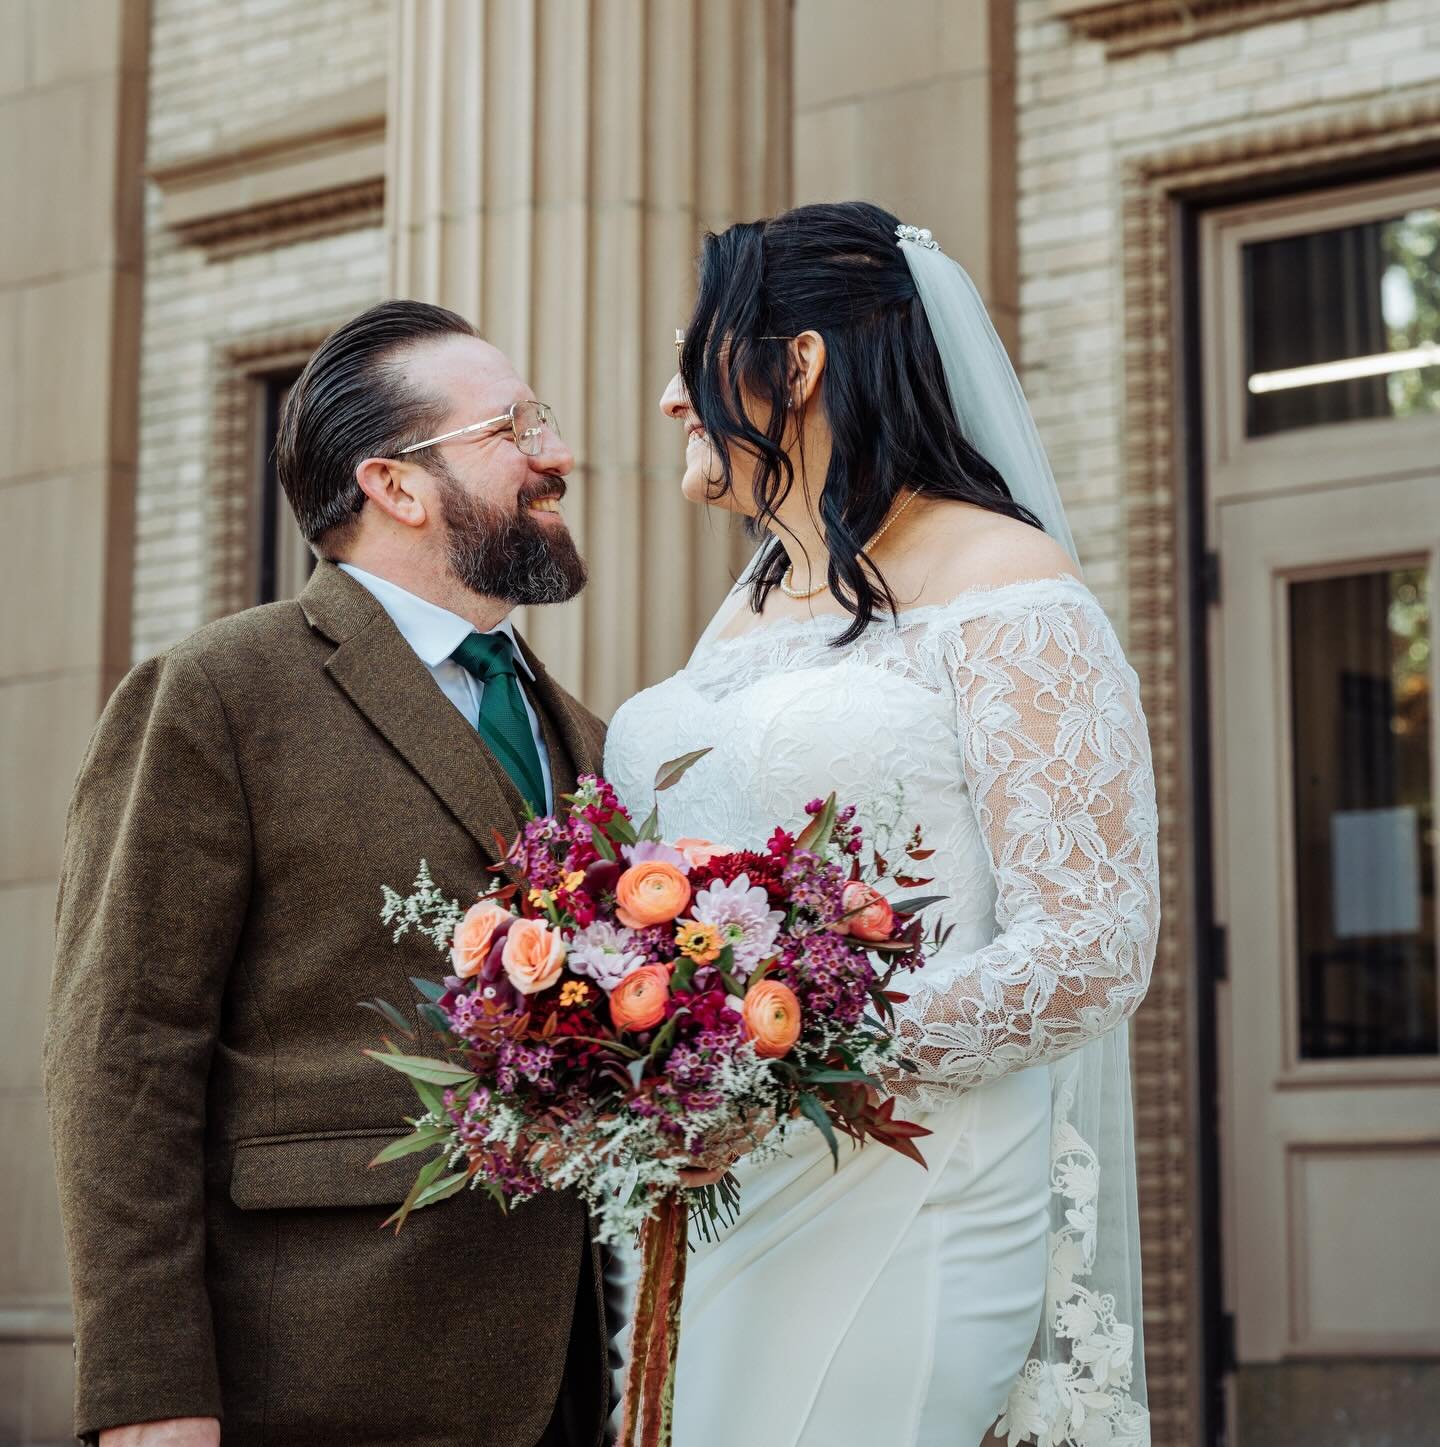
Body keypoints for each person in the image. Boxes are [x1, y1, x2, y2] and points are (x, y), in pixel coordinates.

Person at [603, 202, 1160, 1446]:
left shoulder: (1008, 590)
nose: (666, 396)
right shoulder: (749, 603)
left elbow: (1092, 946)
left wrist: (777, 1057)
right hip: (723, 1188)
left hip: (917, 1178)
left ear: (797, 364)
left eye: (698, 350)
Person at [45, 301, 610, 1447]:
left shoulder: (588, 737)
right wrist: (151, 1393)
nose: (556, 453)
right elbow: (123, 1055)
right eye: (514, 427)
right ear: (396, 484)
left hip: (565, 1380)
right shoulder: (220, 693)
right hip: (314, 1372)